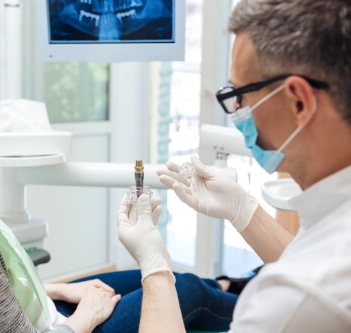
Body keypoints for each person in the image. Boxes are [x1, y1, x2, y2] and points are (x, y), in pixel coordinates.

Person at [0, 30, 242, 333]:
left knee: (154, 280)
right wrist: (84, 316)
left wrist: (57, 290)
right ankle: (266, 303)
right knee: (185, 289)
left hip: (37, 313)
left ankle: (232, 285)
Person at [118, 0, 351, 332]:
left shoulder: (298, 297)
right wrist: (243, 210)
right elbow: (309, 254)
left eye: (239, 95)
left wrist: (154, 267)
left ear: (298, 100)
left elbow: (311, 280)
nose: (237, 111)